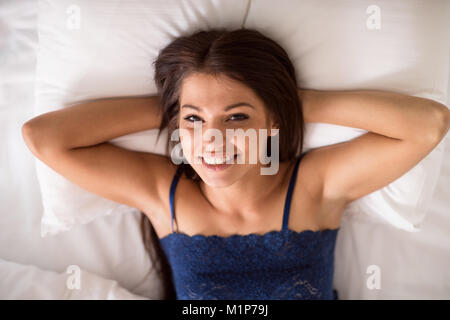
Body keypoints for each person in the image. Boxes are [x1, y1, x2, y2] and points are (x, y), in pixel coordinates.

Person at [22, 28, 449, 300]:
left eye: (237, 117)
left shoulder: (313, 187)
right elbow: (43, 137)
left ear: (272, 122)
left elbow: (430, 124)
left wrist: (289, 100)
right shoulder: (165, 194)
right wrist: (178, 107)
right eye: (194, 120)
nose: (213, 140)